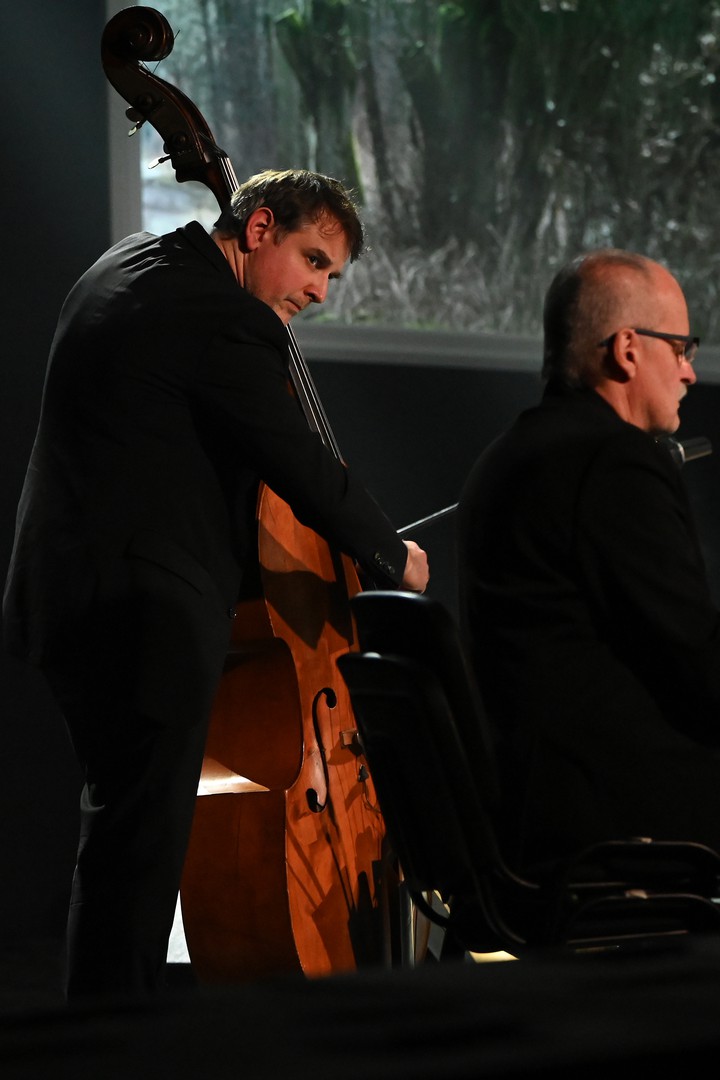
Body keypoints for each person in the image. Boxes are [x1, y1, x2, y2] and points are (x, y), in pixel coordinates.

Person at [3, 168, 429, 999]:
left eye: (332, 275)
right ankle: (111, 1038)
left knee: (120, 834)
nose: (319, 290)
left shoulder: (126, 262)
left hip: (60, 594)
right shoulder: (224, 319)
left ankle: (103, 1025)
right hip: (146, 613)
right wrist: (394, 558)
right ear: (259, 227)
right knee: (137, 851)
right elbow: (302, 464)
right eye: (313, 260)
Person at [457, 248, 720, 875]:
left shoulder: (505, 456)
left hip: (535, 817)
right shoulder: (615, 462)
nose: (689, 372)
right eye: (681, 348)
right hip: (619, 823)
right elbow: (699, 666)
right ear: (628, 349)